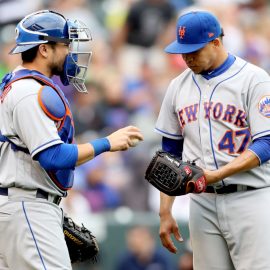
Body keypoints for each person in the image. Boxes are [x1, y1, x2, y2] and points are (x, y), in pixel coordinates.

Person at [0, 10, 143, 270]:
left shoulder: (14, 85)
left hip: (19, 205)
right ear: (44, 49)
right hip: (27, 207)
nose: (70, 52)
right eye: (65, 45)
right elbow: (53, 157)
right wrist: (107, 143)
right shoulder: (29, 92)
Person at [155, 10, 270, 270]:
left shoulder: (254, 79)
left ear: (216, 42)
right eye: (183, 51)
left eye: (194, 51)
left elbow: (267, 143)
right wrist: (165, 211)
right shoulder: (177, 86)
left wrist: (218, 174)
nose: (186, 58)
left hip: (250, 197)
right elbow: (169, 153)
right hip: (202, 202)